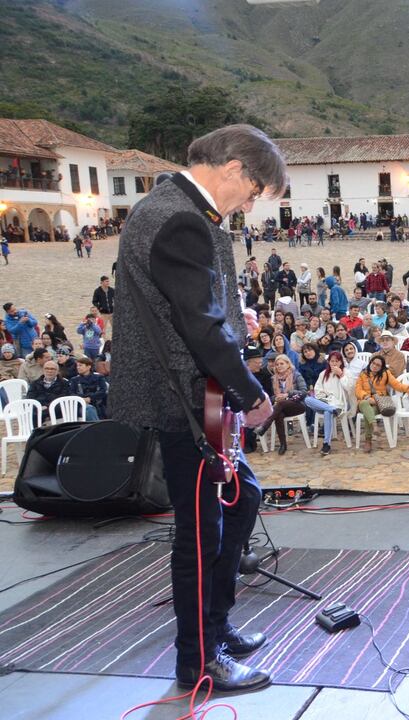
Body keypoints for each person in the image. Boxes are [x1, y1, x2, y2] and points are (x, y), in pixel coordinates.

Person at [108, 124, 285, 693]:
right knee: (201, 534)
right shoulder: (180, 218)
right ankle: (199, 659)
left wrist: (236, 317)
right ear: (233, 168)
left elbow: (193, 305)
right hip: (185, 396)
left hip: (194, 390)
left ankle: (216, 623)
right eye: (253, 191)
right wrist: (252, 395)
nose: (250, 205)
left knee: (243, 498)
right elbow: (198, 326)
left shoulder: (176, 207)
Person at [353, 354, 409, 451]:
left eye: (378, 365)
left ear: (381, 367)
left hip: (379, 403)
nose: (374, 366)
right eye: (373, 363)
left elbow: (396, 384)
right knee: (364, 404)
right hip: (364, 401)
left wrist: (407, 388)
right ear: (370, 363)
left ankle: (368, 440)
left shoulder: (385, 373)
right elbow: (357, 390)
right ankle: (374, 426)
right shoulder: (363, 374)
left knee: (369, 413)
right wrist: (366, 397)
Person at [307, 351, 348, 456]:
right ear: (328, 362)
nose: (334, 363)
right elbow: (317, 390)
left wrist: (341, 375)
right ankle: (332, 410)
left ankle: (326, 444)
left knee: (327, 412)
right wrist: (324, 397)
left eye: (336, 361)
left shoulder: (345, 372)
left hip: (338, 403)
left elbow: (349, 389)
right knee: (308, 400)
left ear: (340, 362)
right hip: (324, 401)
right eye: (332, 361)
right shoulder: (323, 374)